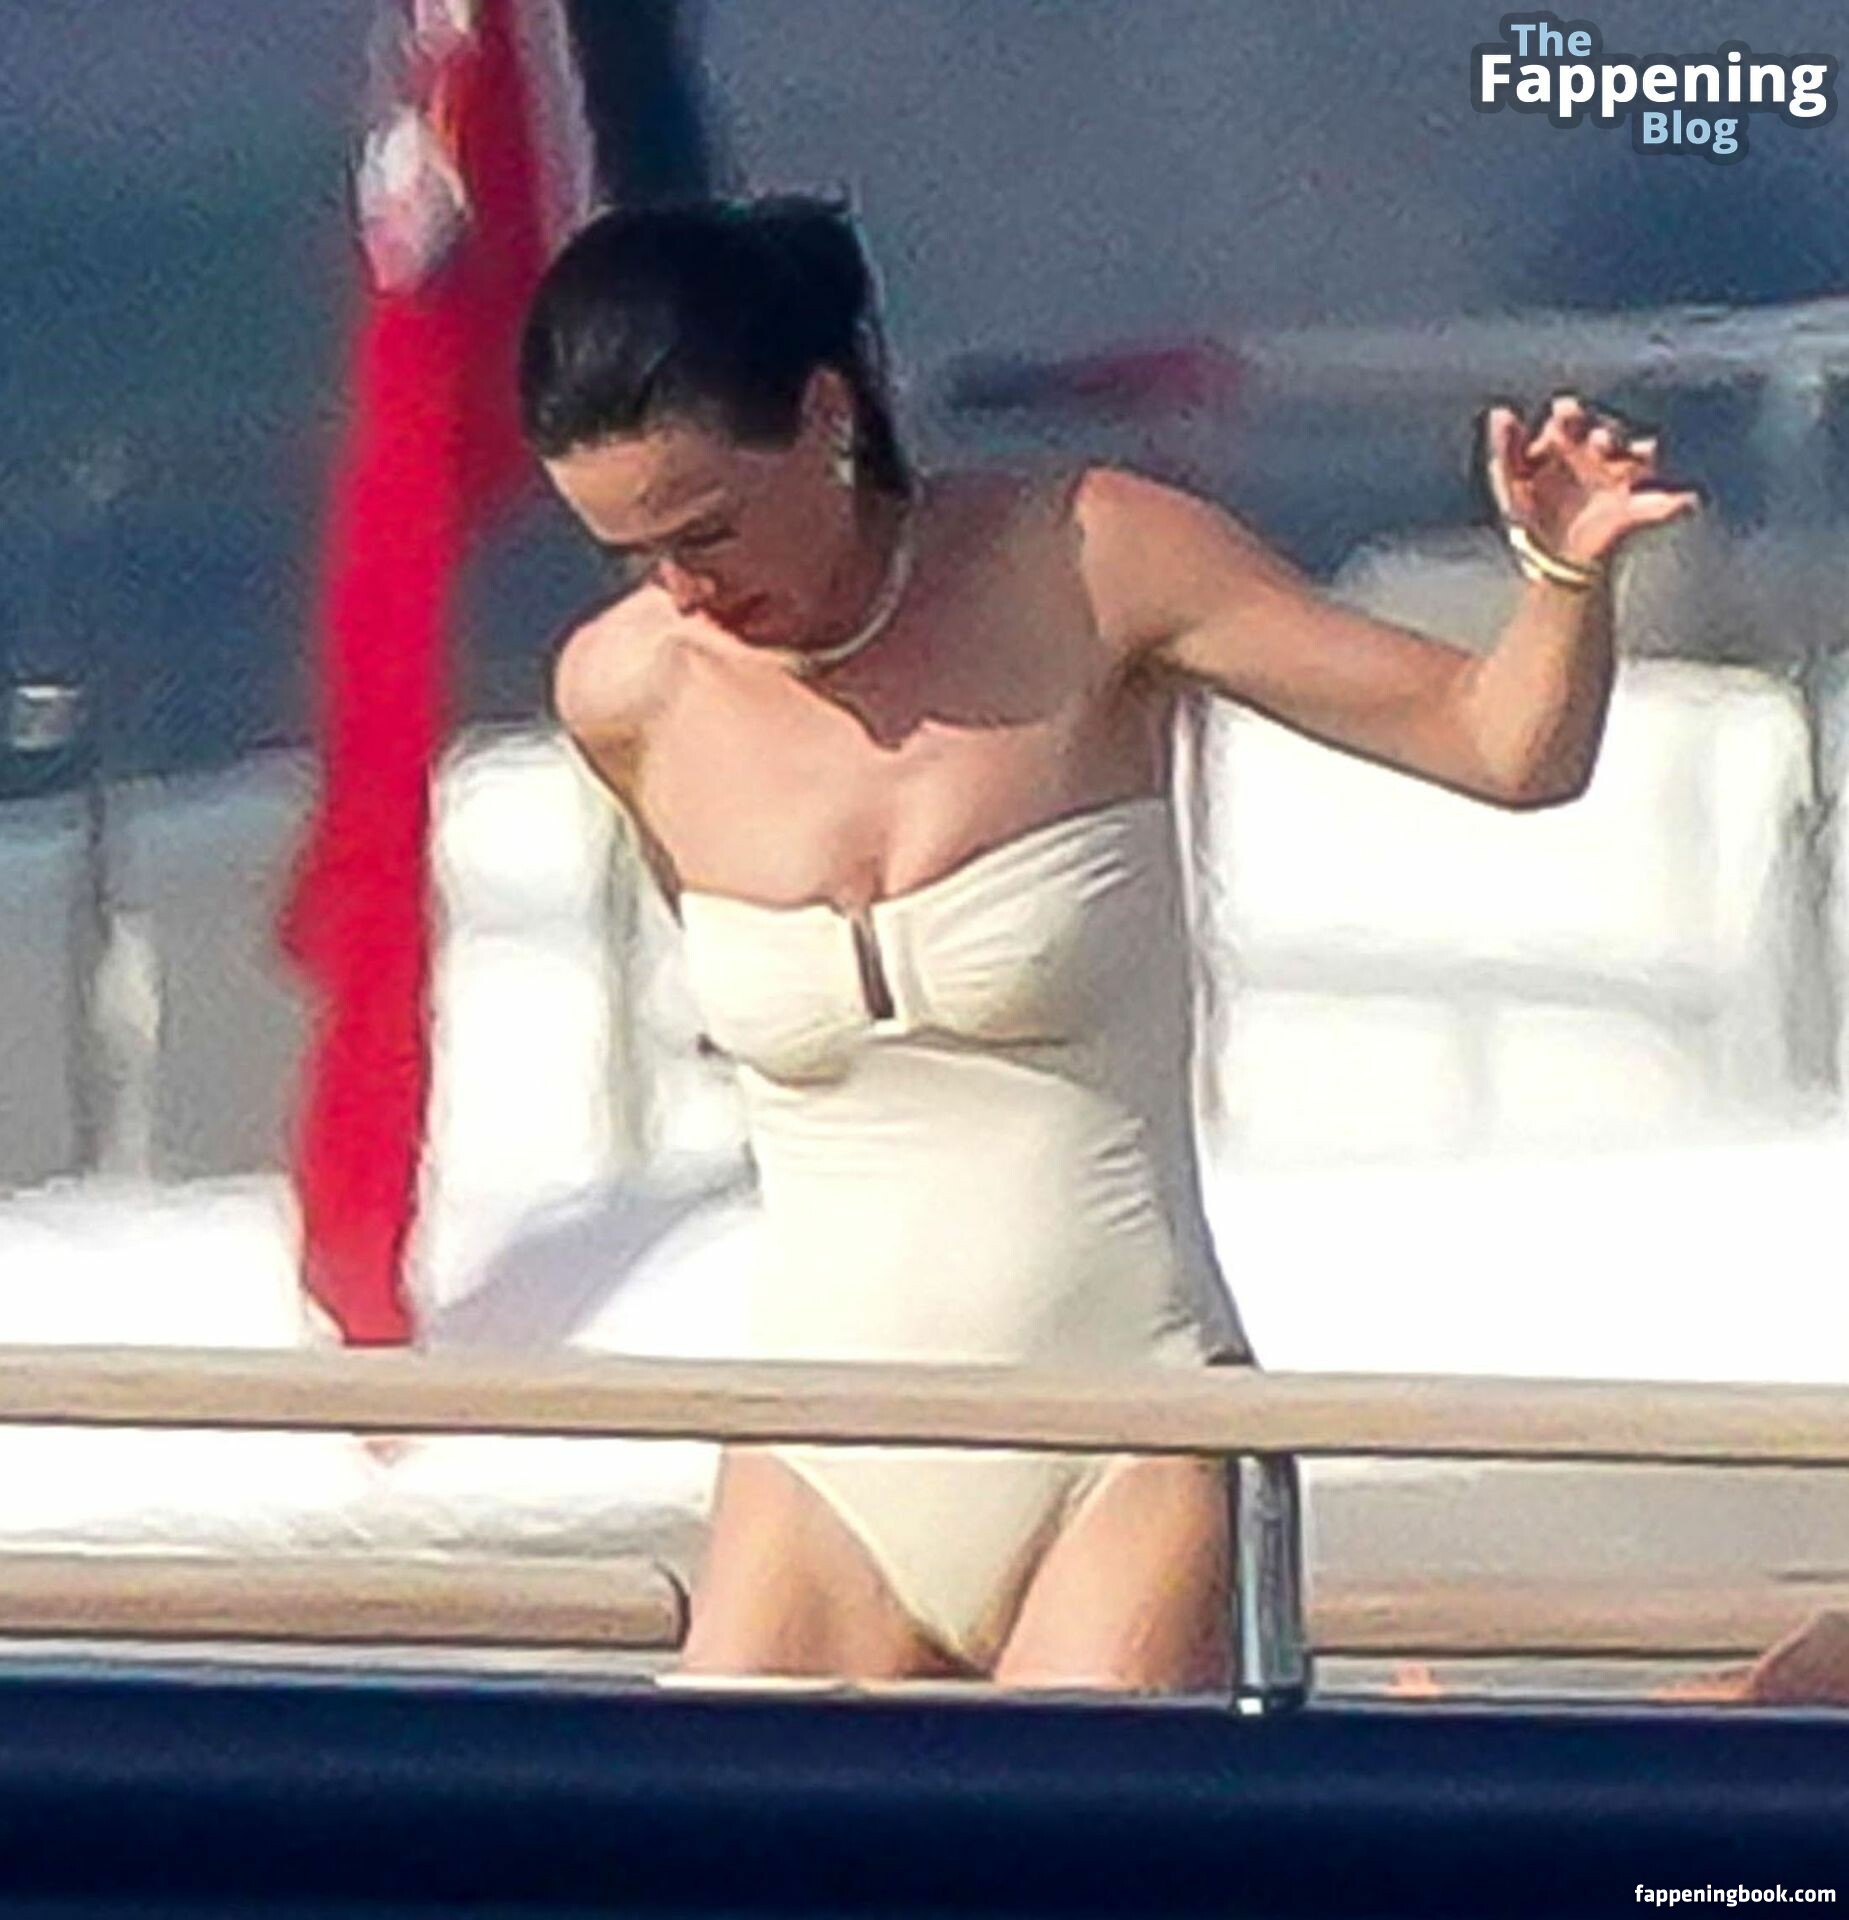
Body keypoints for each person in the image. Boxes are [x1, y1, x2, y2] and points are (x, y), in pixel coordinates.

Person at [517, 195, 1699, 1694]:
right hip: (823, 1456)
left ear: (824, 416)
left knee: (1077, 1828)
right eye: (631, 554)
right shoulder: (626, 695)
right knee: (703, 1827)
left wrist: (1564, 578)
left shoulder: (1091, 561)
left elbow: (1500, 746)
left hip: (1124, 1433)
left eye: (706, 532)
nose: (686, 590)